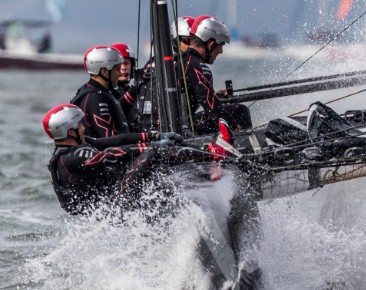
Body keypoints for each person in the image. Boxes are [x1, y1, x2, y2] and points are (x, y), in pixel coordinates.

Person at [43, 104, 183, 216]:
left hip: (110, 198)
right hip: (112, 206)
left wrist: (154, 136)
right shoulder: (71, 157)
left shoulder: (76, 147)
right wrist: (151, 146)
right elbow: (109, 154)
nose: (83, 128)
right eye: (79, 125)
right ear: (71, 131)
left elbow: (116, 140)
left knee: (138, 155)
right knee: (151, 152)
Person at [177, 15, 253, 135]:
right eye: (221, 45)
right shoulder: (197, 65)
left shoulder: (180, 60)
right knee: (239, 111)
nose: (221, 51)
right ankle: (248, 148)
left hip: (172, 126)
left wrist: (214, 95)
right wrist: (238, 131)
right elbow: (214, 111)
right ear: (211, 44)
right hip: (182, 131)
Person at [71, 45, 129, 138]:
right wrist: (145, 137)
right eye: (117, 69)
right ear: (104, 71)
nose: (120, 73)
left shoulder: (103, 92)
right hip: (104, 151)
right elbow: (109, 137)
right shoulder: (95, 97)